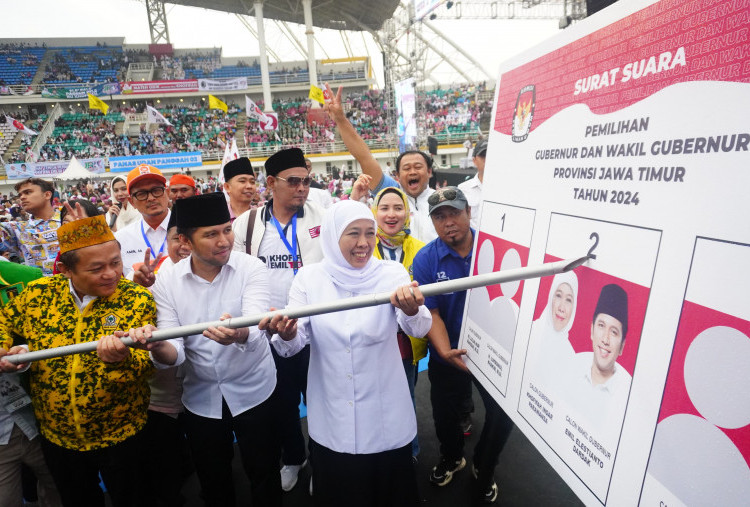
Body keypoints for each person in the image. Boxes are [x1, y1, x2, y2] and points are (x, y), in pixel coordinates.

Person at [263, 200, 432, 507]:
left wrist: (413, 309)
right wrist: (286, 332)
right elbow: (293, 344)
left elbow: (418, 328)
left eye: (370, 232)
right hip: (333, 419)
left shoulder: (391, 273)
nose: (364, 243)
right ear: (331, 235)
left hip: (386, 417)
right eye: (353, 233)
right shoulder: (309, 279)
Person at [131, 193, 282, 507]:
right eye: (211, 234)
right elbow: (174, 350)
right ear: (186, 241)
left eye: (227, 230)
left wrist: (239, 332)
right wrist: (158, 347)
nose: (224, 240)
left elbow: (255, 326)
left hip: (254, 389)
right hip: (201, 397)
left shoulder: (251, 267)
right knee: (213, 478)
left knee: (264, 470)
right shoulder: (167, 281)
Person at [0, 215, 156, 506]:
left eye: (115, 262)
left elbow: (146, 367)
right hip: (58, 438)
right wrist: (3, 348)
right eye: (97, 268)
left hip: (122, 434)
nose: (111, 274)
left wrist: (119, 361)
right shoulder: (38, 295)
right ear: (65, 270)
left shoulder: (136, 299)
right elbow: (3, 320)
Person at [413, 186, 514, 504]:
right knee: (444, 417)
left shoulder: (494, 249)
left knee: (503, 417)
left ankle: (485, 463)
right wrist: (443, 352)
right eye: (439, 217)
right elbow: (433, 311)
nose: (448, 222)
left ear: (469, 212)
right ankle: (452, 457)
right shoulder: (426, 258)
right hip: (448, 354)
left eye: (454, 213)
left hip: (493, 353)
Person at [232, 147, 325, 492]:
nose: (302, 188)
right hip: (269, 333)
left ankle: (321, 462)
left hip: (314, 330)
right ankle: (293, 457)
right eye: (294, 182)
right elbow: (237, 272)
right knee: (282, 402)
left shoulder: (321, 215)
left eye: (306, 181)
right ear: (271, 183)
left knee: (319, 399)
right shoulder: (248, 223)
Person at [324, 83, 437, 243]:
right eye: (406, 168)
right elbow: (364, 157)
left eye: (418, 167)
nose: (412, 172)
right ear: (397, 175)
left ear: (429, 172)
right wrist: (341, 119)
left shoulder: (441, 200)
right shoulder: (390, 194)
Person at [568, 283, 632, 431]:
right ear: (591, 330)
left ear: (622, 346)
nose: (605, 339)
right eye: (601, 326)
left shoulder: (625, 397)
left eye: (614, 332)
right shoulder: (571, 367)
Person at [114, 164, 170, 277]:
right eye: (141, 194)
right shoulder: (121, 238)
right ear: (132, 202)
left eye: (156, 190)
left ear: (167, 193)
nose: (151, 198)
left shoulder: (191, 229)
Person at [527, 271, 578, 389]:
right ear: (551, 297)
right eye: (558, 296)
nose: (561, 308)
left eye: (569, 300)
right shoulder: (531, 331)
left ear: (574, 307)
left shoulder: (570, 357)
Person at [0, 178, 61, 275]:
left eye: (28, 192)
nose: (22, 197)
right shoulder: (17, 229)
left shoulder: (69, 219)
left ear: (47, 195)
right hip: (39, 288)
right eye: (20, 195)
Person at [458, 138, 487, 229]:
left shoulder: (508, 190)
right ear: (474, 160)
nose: (488, 159)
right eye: (483, 155)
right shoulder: (462, 189)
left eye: (492, 154)